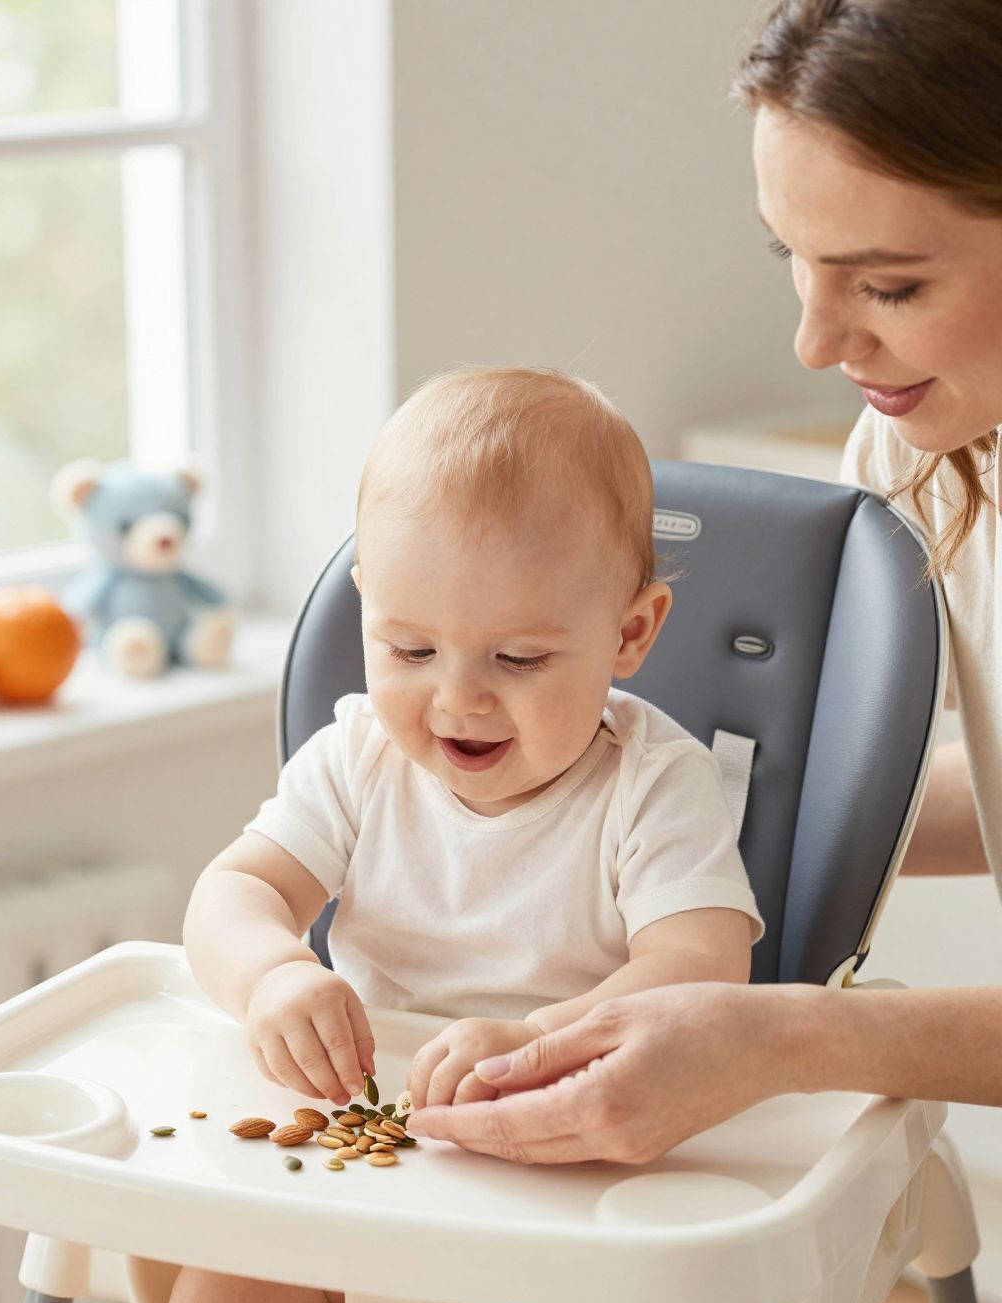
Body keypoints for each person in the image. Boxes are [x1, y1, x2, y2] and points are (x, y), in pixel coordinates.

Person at [153, 367, 761, 1303]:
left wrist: (539, 1040)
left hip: (580, 1187)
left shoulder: (655, 784)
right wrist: (274, 970)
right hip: (368, 1177)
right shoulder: (355, 764)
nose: (457, 700)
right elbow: (232, 891)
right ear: (367, 606)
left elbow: (702, 967)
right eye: (411, 648)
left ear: (630, 632)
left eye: (519, 659)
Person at [410, 0, 1002, 1168]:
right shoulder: (929, 456)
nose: (817, 342)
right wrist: (633, 824)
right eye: (795, 260)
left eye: (888, 287)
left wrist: (780, 1036)